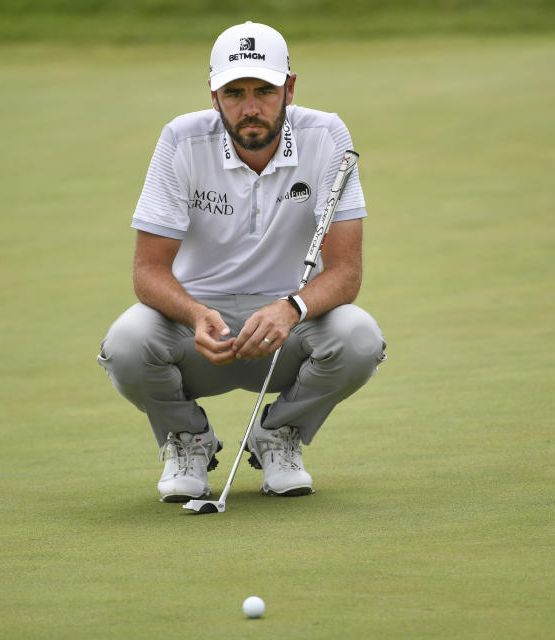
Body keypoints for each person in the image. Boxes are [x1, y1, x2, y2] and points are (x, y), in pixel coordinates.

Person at [98, 21, 386, 503]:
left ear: (289, 88)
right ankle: (188, 438)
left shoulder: (327, 135)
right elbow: (147, 272)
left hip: (288, 330)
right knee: (126, 343)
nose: (250, 108)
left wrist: (290, 308)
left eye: (264, 91)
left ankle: (279, 435)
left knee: (359, 337)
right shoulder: (181, 140)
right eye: (234, 92)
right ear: (213, 95)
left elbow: (345, 273)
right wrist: (194, 314)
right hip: (198, 330)